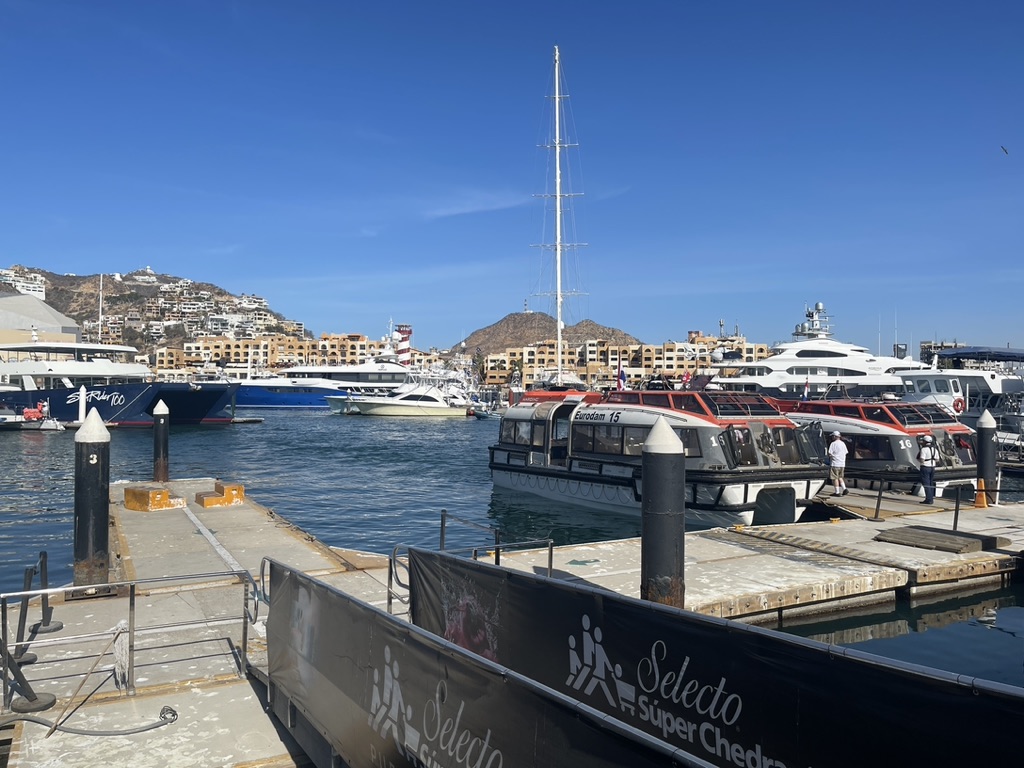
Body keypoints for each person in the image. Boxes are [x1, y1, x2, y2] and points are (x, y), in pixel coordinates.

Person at [917, 435, 938, 504]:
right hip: (932, 467)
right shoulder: (935, 449)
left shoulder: (924, 449)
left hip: (925, 467)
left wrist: (920, 461)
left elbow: (922, 459)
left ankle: (929, 499)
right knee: (931, 483)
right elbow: (937, 459)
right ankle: (931, 498)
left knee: (926, 484)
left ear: (925, 442)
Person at [827, 431, 849, 496]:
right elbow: (846, 452)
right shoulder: (843, 443)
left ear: (834, 436)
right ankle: (844, 489)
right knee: (840, 477)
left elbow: (830, 453)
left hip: (835, 463)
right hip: (842, 464)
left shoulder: (833, 444)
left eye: (832, 436)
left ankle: (837, 492)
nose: (832, 437)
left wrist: (831, 456)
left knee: (835, 478)